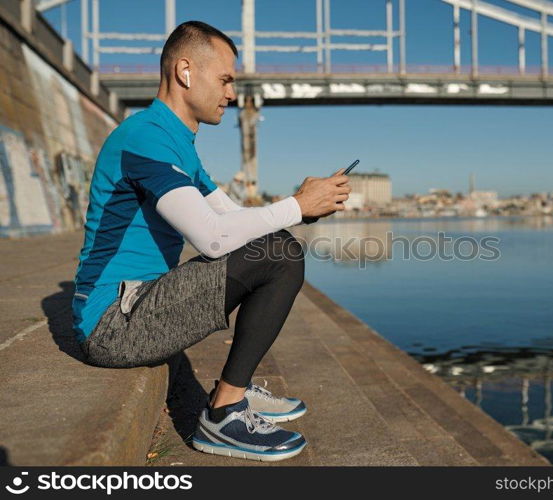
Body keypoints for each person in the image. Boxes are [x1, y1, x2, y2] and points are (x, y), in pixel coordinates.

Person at [71, 20, 351, 462]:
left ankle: (230, 391)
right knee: (280, 252)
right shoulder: (146, 137)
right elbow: (214, 238)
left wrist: (303, 207)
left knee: (275, 244)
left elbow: (235, 219)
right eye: (225, 80)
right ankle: (224, 415)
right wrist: (296, 205)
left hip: (136, 304)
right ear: (185, 72)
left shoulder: (177, 143)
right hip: (112, 325)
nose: (232, 95)